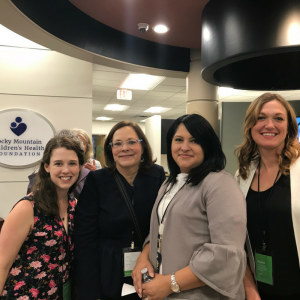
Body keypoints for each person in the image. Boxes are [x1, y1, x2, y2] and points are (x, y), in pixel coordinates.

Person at [132, 114, 247, 300]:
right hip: (165, 292)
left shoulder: (220, 184)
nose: (184, 147)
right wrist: (143, 258)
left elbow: (224, 255)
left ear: (207, 145)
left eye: (194, 140)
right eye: (178, 140)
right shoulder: (170, 183)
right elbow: (161, 230)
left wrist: (170, 283)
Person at [74, 121, 166, 300]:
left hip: (147, 263)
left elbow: (164, 221)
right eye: (117, 143)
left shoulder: (157, 175)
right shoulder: (97, 181)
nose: (124, 148)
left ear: (142, 146)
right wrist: (89, 289)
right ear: (111, 149)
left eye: (131, 142)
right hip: (107, 267)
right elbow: (84, 237)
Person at [0, 130, 84, 299]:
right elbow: (2, 264)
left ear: (80, 166)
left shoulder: (74, 206)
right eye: (58, 163)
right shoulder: (27, 207)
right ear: (47, 167)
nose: (65, 170)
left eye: (72, 163)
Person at [235, 93, 300, 300]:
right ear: (250, 126)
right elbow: (237, 240)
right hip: (259, 290)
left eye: (278, 118)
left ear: (289, 127)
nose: (269, 125)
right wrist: (250, 290)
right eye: (261, 118)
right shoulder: (242, 176)